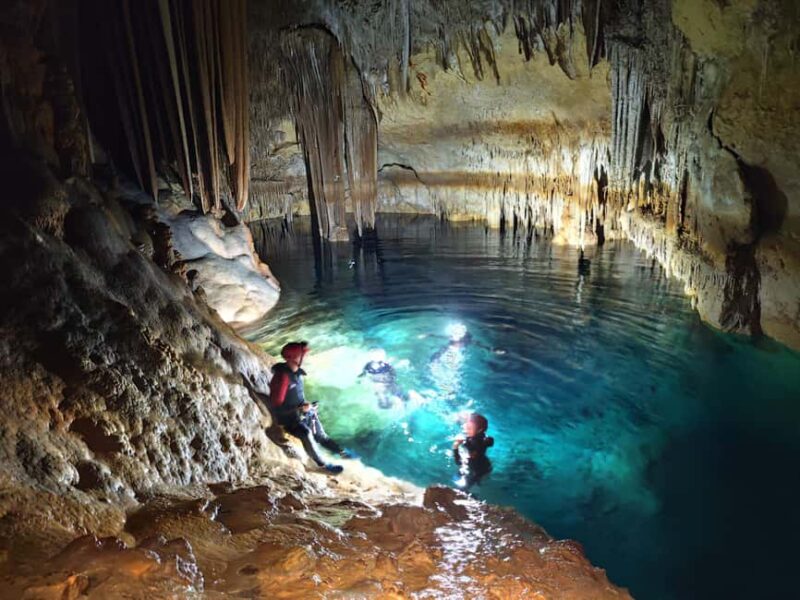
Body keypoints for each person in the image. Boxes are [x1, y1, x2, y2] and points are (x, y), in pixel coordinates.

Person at [262, 341, 353, 473]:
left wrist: (306, 406)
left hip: (301, 412)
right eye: (301, 355)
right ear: (293, 358)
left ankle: (341, 451)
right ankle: (322, 465)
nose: (304, 357)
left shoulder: (297, 373)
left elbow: (295, 396)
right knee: (306, 433)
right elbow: (276, 405)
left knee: (321, 434)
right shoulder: (283, 377)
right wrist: (299, 409)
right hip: (289, 419)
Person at [452, 413, 494, 490]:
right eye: (466, 426)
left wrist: (455, 447)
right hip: (484, 464)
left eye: (469, 428)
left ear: (479, 430)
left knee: (462, 488)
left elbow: (458, 462)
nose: (465, 430)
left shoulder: (475, 444)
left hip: (478, 469)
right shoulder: (479, 436)